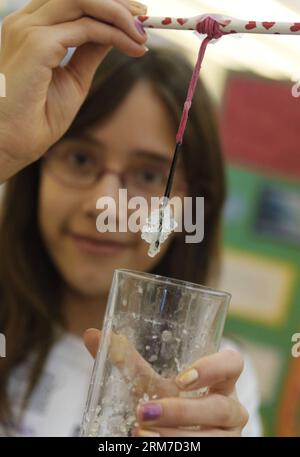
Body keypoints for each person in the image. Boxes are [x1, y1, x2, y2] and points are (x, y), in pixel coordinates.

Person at [0, 0, 261, 437]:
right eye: (81, 159)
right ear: (35, 169)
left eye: (147, 174)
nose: (106, 204)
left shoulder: (216, 386)